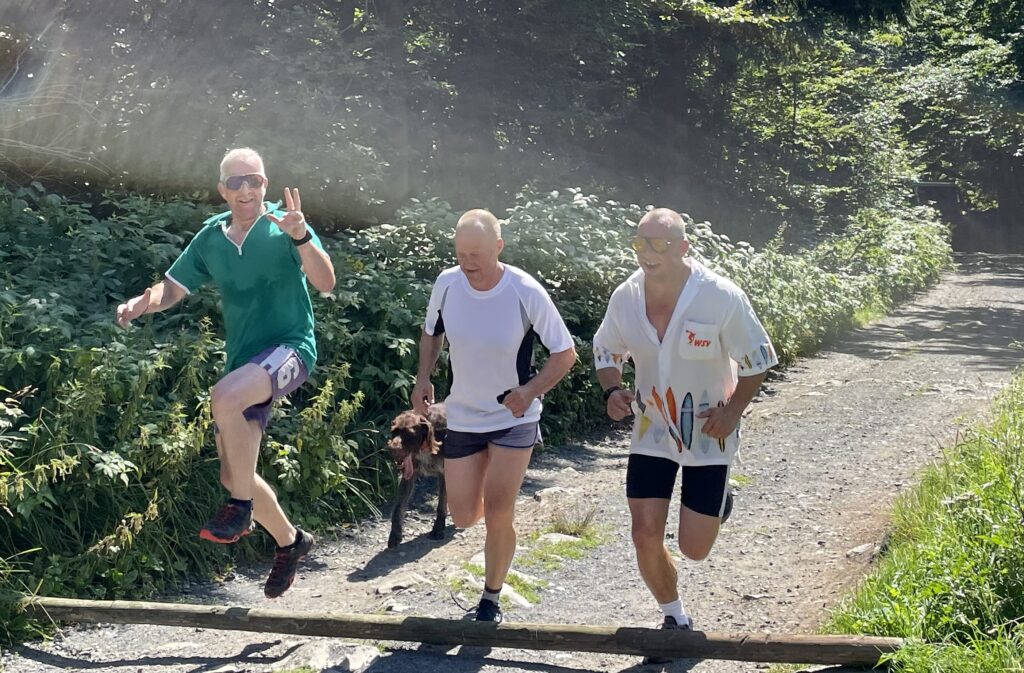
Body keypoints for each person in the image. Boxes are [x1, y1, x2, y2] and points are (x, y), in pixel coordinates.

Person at [115, 147, 336, 599]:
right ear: (222, 190)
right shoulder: (212, 238)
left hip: (292, 348)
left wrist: (301, 238)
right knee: (234, 474)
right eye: (236, 182)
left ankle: (240, 509)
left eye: (254, 180)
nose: (246, 189)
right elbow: (172, 287)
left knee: (224, 397)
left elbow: (326, 282)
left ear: (265, 185)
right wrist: (142, 302)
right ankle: (291, 541)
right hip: (244, 363)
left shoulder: (284, 225)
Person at [592, 208, 777, 644]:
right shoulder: (625, 296)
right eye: (640, 243)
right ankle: (674, 616)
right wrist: (612, 390)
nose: (648, 253)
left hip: (709, 430)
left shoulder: (719, 295)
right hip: (651, 429)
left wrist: (733, 412)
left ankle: (720, 500)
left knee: (695, 549)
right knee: (644, 533)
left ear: (683, 247)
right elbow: (605, 352)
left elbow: (758, 359)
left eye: (658, 244)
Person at [411, 208, 576, 622]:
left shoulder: (524, 290)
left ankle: (491, 597)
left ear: (498, 247)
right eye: (461, 253)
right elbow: (431, 333)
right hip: (464, 415)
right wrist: (423, 377)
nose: (468, 263)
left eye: (477, 254)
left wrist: (530, 391)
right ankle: (493, 495)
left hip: (513, 417)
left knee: (500, 510)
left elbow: (565, 353)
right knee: (464, 515)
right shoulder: (447, 284)